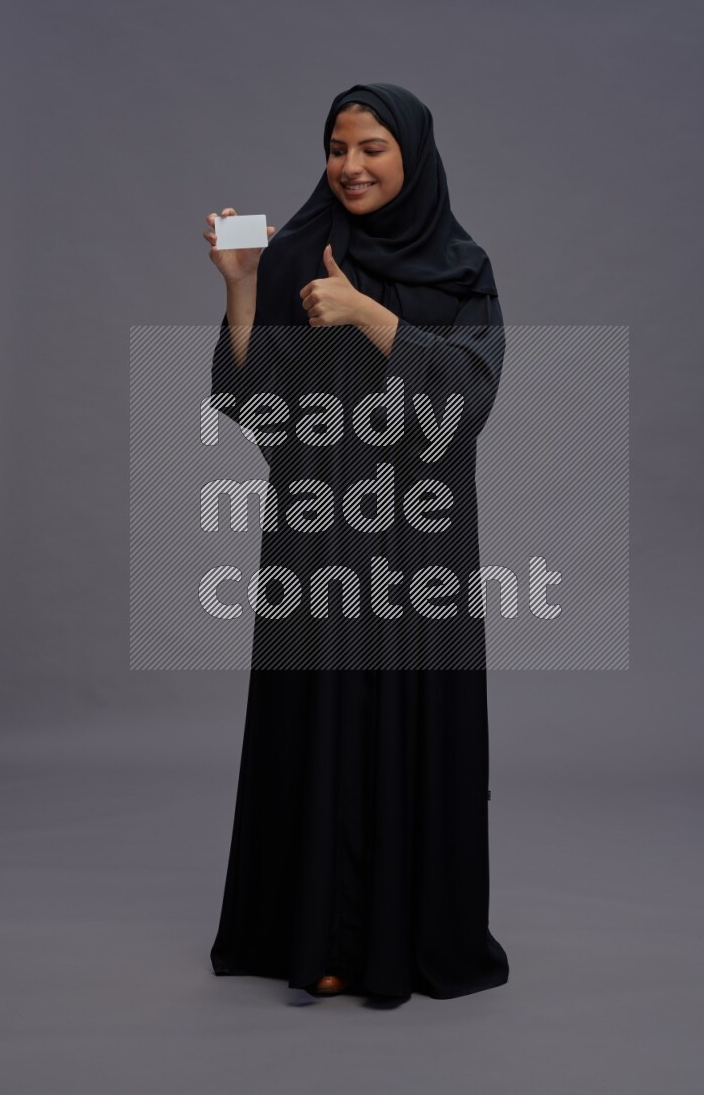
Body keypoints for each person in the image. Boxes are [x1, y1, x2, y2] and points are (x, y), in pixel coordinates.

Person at [204, 82, 509, 1002]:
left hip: (420, 541)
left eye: (372, 146)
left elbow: (468, 403)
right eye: (338, 147)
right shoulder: (299, 250)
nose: (351, 166)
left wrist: (372, 317)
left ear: (411, 154)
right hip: (316, 535)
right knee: (321, 721)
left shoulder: (462, 267)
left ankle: (405, 937)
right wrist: (246, 283)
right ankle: (320, 936)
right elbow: (253, 404)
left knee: (410, 720)